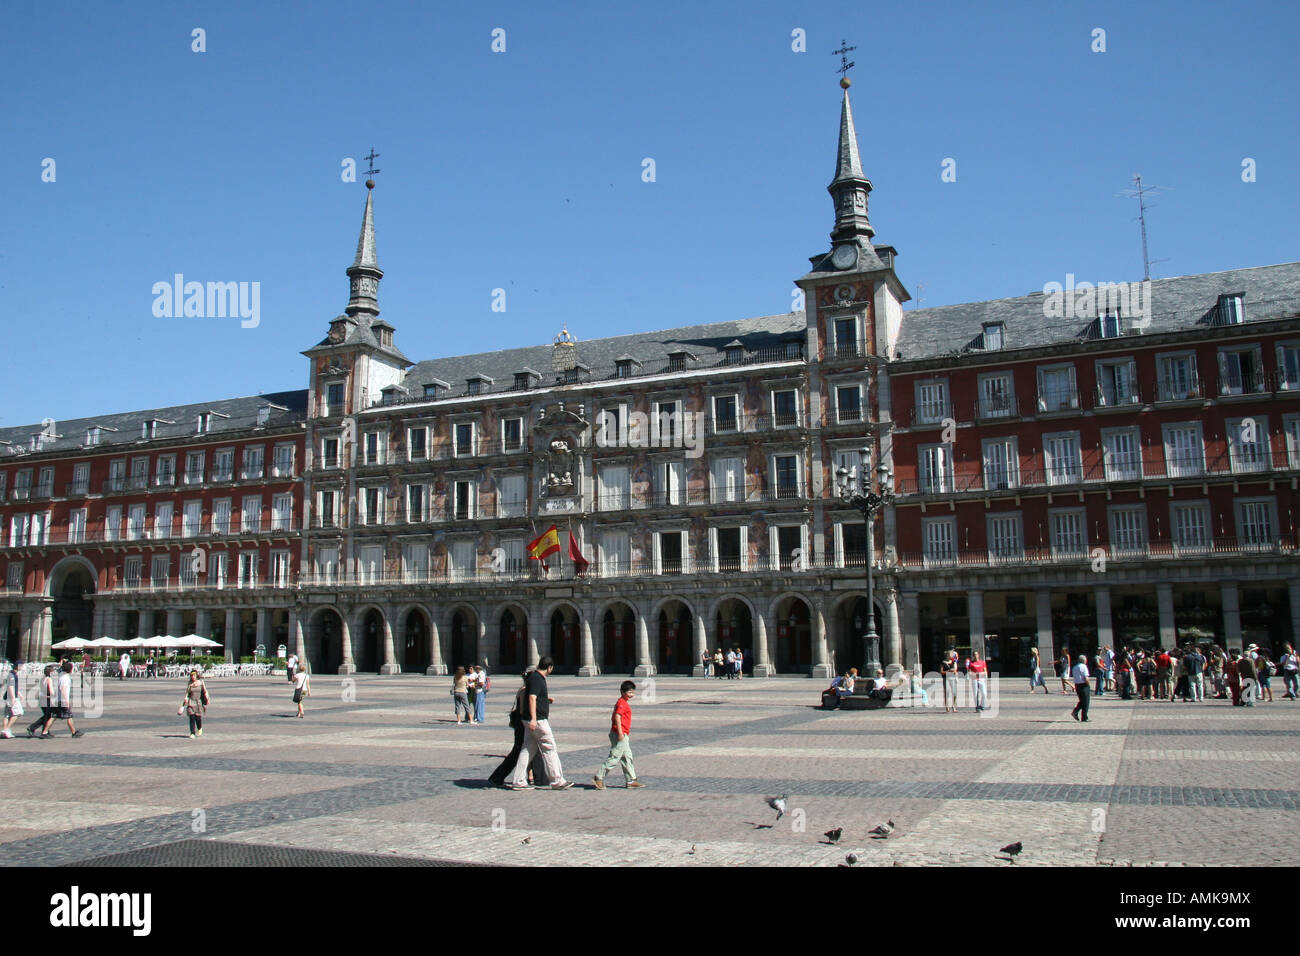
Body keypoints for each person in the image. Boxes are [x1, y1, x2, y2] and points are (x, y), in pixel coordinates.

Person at [507, 656, 573, 790]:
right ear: (549, 667)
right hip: (538, 721)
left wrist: (545, 699)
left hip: (530, 720)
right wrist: (533, 718)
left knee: (527, 750)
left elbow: (533, 696)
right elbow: (531, 698)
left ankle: (518, 781)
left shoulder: (533, 677)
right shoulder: (538, 679)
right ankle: (557, 780)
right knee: (549, 748)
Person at [593, 680, 644, 790]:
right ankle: (599, 777)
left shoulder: (624, 702)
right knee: (615, 757)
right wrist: (620, 733)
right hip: (619, 733)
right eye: (629, 692)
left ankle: (631, 780)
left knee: (627, 757)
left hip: (623, 733)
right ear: (622, 692)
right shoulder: (621, 703)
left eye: (633, 692)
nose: (632, 694)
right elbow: (617, 717)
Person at [490, 674, 531, 788]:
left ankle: (533, 777)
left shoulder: (524, 689)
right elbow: (522, 710)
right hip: (522, 725)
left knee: (523, 752)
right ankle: (497, 777)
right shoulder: (524, 690)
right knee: (516, 753)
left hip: (521, 724)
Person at [44, 661, 84, 738]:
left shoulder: (62, 676)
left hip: (59, 700)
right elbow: (63, 689)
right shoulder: (66, 678)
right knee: (69, 716)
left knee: (54, 717)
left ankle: (45, 732)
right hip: (63, 700)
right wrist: (66, 701)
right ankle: (73, 732)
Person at [26, 665, 57, 738]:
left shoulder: (43, 678)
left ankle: (45, 730)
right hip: (47, 698)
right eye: (53, 671)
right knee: (48, 716)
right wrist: (54, 695)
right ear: (50, 672)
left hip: (42, 698)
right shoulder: (49, 679)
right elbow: (51, 690)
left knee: (47, 715)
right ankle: (35, 728)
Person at [180, 669, 209, 738]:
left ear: (196, 676)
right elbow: (187, 693)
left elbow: (205, 691)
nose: (192, 677)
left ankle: (199, 728)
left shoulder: (201, 682)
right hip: (191, 701)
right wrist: (185, 698)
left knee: (198, 718)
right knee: (191, 717)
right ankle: (192, 733)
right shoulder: (190, 683)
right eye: (191, 676)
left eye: (194, 675)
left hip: (198, 702)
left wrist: (207, 698)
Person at [1, 662, 23, 738]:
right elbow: (11, 686)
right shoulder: (12, 675)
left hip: (10, 696)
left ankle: (5, 730)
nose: (22, 667)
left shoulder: (13, 674)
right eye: (21, 665)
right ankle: (6, 729)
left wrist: (19, 693)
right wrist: (14, 698)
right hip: (12, 697)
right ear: (17, 666)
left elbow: (14, 686)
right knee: (18, 713)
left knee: (7, 714)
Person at [1070, 654, 1091, 722]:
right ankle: (1084, 717)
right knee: (1086, 702)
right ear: (1084, 661)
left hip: (1077, 685)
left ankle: (1075, 711)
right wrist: (1088, 685)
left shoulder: (1075, 667)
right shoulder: (1084, 667)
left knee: (1082, 700)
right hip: (1083, 685)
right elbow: (1085, 677)